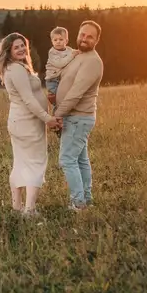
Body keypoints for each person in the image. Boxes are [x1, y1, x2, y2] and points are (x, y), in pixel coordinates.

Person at [0, 32, 62, 216]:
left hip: (22, 122)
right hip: (27, 124)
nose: (21, 49)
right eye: (16, 47)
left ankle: (17, 208)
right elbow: (28, 100)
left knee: (22, 163)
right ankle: (29, 210)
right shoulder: (16, 69)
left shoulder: (15, 67)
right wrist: (48, 119)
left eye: (23, 45)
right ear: (8, 51)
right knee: (35, 164)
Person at [52, 20, 104, 211]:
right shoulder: (78, 55)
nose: (84, 39)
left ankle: (78, 203)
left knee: (67, 160)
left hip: (78, 118)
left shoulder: (93, 61)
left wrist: (57, 115)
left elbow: (76, 93)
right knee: (80, 160)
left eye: (90, 37)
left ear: (97, 40)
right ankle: (86, 199)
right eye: (82, 34)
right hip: (74, 117)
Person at [44, 26, 77, 105]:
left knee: (66, 96)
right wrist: (72, 56)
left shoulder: (69, 50)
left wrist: (78, 53)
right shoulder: (52, 52)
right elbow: (60, 64)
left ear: (66, 41)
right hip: (53, 79)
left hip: (62, 78)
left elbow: (75, 53)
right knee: (57, 99)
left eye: (61, 39)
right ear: (52, 41)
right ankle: (54, 103)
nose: (58, 42)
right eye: (55, 40)